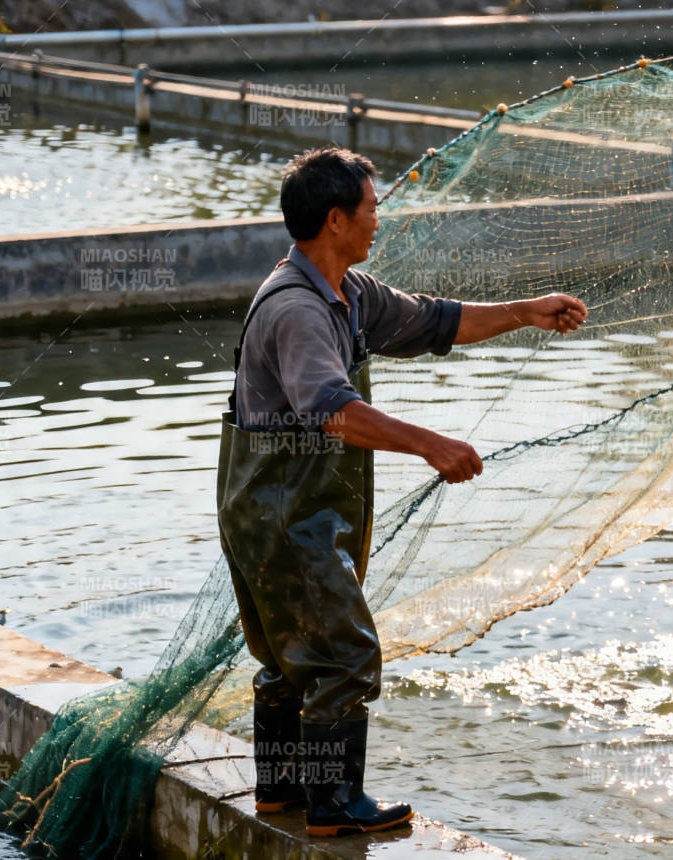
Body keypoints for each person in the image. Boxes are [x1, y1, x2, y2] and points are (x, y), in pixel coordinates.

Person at [217, 146, 586, 836]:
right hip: (279, 516)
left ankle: (282, 794)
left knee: (290, 658)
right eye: (371, 208)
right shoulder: (297, 309)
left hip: (287, 510)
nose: (378, 219)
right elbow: (332, 409)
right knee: (345, 658)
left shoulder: (348, 294)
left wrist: (527, 311)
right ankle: (333, 808)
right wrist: (432, 445)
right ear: (335, 221)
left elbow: (438, 321)